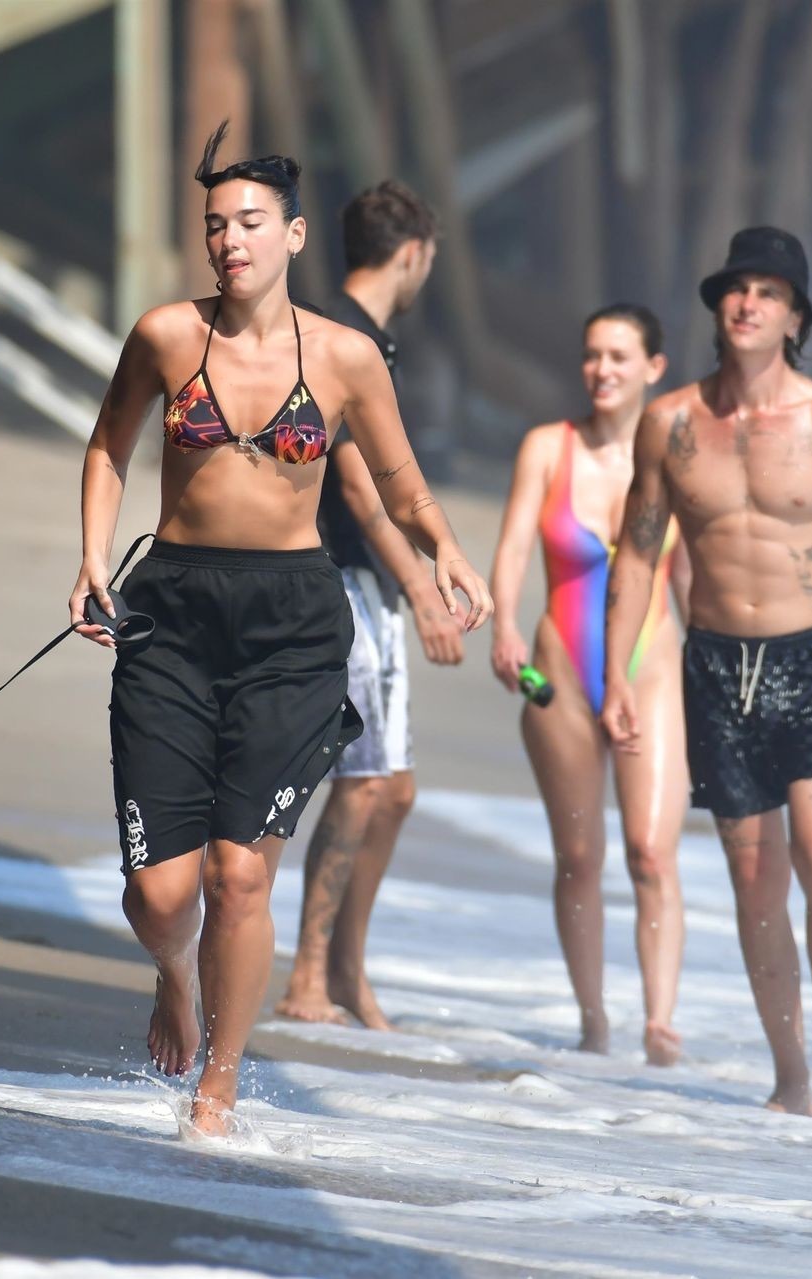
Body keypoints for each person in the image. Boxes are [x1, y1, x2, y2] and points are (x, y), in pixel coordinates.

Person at [68, 125, 492, 1137]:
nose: (231, 241)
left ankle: (218, 1083)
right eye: (216, 225)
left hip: (294, 625)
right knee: (157, 895)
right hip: (172, 611)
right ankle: (174, 970)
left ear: (294, 235)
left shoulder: (346, 357)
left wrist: (445, 549)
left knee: (239, 871)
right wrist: (91, 556)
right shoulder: (167, 335)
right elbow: (108, 445)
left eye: (251, 223)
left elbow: (398, 480)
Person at [601, 227, 812, 1116]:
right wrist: (617, 673)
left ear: (795, 319)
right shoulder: (670, 424)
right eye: (737, 289)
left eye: (770, 292)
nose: (749, 303)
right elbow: (638, 555)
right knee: (753, 877)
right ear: (719, 308)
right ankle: (789, 1068)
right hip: (715, 665)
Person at [277, 181, 465, 1030]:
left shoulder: (359, 335)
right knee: (362, 783)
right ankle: (308, 975)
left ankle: (344, 968)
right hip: (342, 578)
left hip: (365, 581)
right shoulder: (347, 339)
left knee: (392, 789)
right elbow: (358, 486)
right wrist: (426, 589)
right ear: (415, 254)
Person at [487, 304, 694, 1064]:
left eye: (618, 356)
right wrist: (504, 628)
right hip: (561, 672)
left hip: (653, 668)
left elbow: (692, 577)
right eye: (591, 355)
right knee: (579, 856)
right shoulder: (550, 447)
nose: (601, 370)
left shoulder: (678, 454)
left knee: (650, 852)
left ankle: (660, 1022)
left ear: (654, 368)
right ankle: (594, 1021)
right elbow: (513, 546)